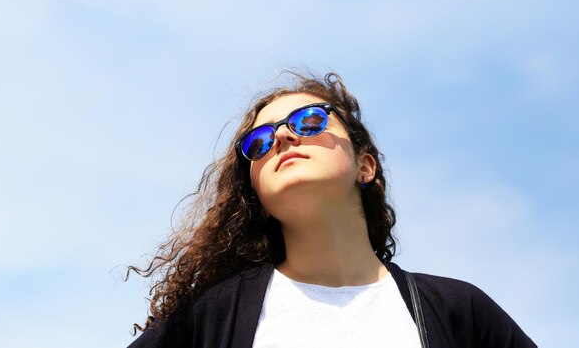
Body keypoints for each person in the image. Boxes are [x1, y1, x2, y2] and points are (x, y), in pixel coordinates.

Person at [127, 72, 536, 348]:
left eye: (308, 121)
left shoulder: (458, 310)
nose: (283, 137)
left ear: (365, 165)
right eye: (259, 142)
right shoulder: (210, 318)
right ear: (256, 196)